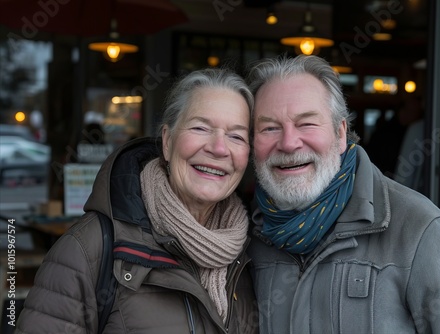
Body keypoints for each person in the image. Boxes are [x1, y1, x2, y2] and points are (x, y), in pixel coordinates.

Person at [245, 55, 440, 333]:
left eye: (307, 124)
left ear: (340, 134)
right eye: (269, 128)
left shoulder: (417, 228)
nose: (289, 143)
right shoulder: (248, 233)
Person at [15, 68, 259, 333]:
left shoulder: (250, 253)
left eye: (236, 136)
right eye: (201, 127)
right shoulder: (89, 249)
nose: (219, 148)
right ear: (167, 141)